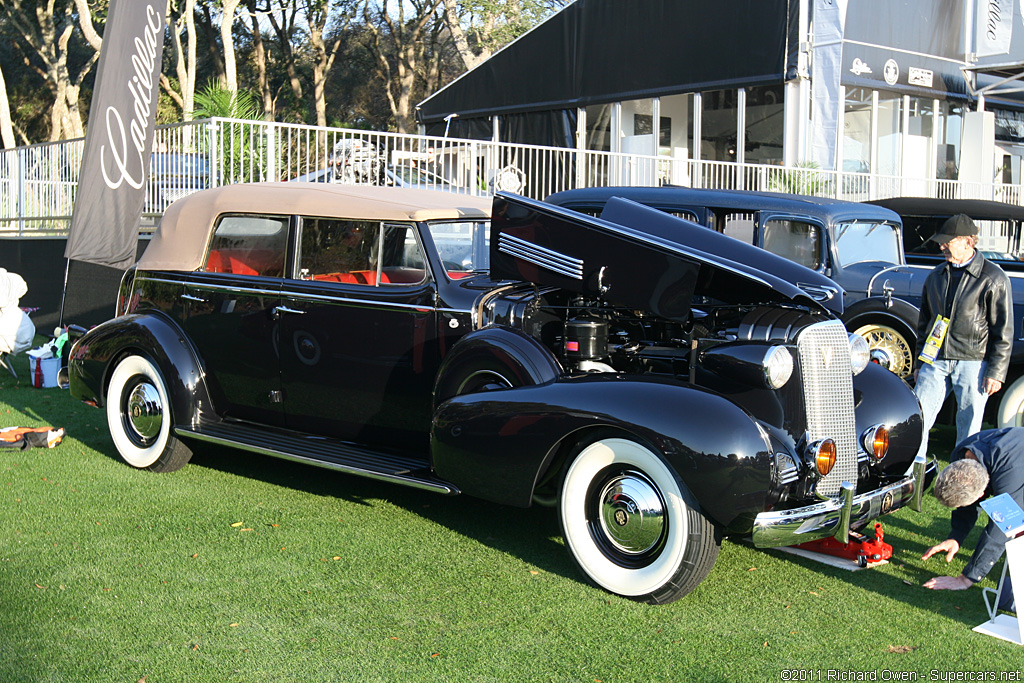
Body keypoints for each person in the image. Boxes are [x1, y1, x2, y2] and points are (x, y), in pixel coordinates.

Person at [914, 214, 1013, 460]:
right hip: (934, 360)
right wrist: (919, 362)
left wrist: (996, 372)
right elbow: (924, 323)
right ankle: (909, 479)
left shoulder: (993, 278)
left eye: (948, 241)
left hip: (973, 363)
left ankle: (963, 483)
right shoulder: (935, 276)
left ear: (968, 242)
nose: (941, 246)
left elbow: (1003, 330)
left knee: (969, 430)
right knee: (917, 419)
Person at [922, 428, 1024, 614]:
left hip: (1017, 462)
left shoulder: (1009, 474)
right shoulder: (961, 455)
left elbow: (1002, 528)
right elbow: (968, 501)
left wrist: (967, 578)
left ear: (983, 492)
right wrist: (956, 537)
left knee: (1018, 531)